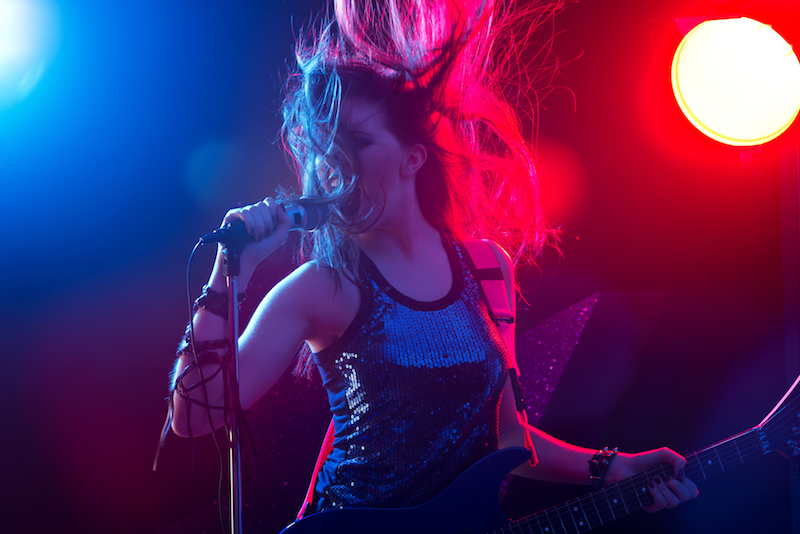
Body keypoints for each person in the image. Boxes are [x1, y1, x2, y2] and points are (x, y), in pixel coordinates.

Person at [168, 0, 699, 523]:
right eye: (325, 146)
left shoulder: (489, 271)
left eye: (358, 140)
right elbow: (193, 416)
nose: (335, 162)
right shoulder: (322, 288)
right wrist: (230, 272)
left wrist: (613, 467)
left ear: (412, 158)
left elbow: (504, 435)